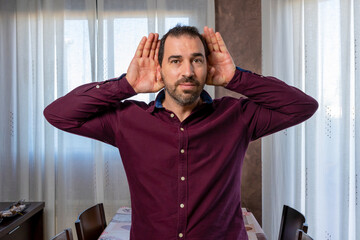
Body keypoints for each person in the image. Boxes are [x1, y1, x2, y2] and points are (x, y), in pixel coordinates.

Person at [44, 25, 318, 240]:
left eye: (196, 60)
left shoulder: (237, 117)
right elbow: (58, 114)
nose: (187, 71)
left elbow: (303, 106)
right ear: (160, 69)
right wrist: (126, 85)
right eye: (175, 61)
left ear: (207, 67)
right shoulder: (127, 120)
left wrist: (236, 77)